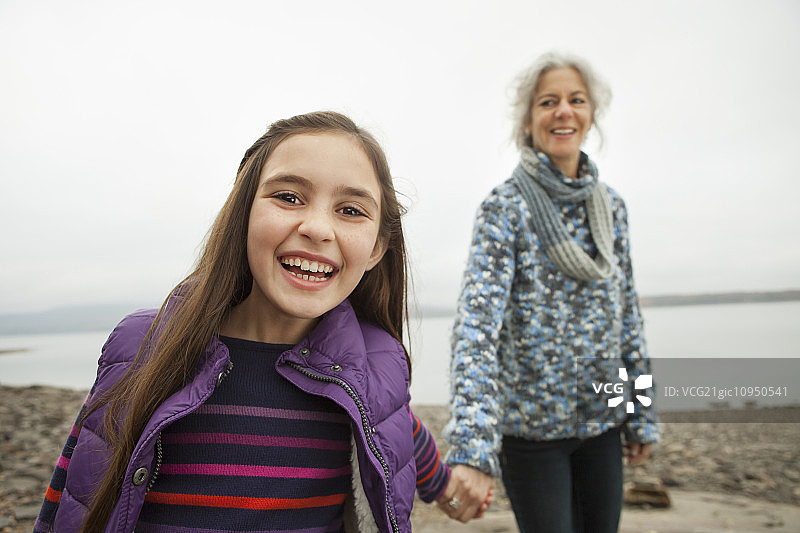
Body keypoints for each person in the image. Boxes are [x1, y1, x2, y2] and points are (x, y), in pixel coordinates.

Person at [34, 111, 470, 533]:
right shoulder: (142, 347)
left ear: (377, 248)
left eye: (351, 210)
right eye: (289, 197)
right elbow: (70, 498)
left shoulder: (371, 369)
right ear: (242, 212)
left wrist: (448, 486)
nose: (317, 228)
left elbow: (395, 426)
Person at [441, 52, 660, 532]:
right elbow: (476, 331)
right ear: (529, 120)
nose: (564, 111)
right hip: (531, 434)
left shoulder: (612, 208)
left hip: (602, 423)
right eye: (548, 101)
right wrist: (474, 445)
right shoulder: (505, 207)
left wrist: (641, 409)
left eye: (576, 100)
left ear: (590, 115)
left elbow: (629, 317)